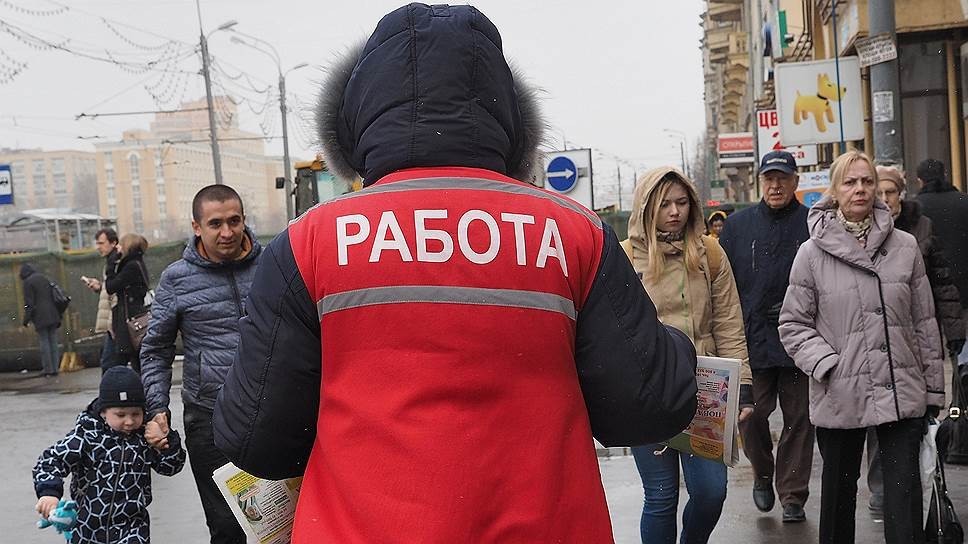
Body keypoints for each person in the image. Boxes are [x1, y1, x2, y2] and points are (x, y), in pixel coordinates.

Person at [213, 4, 700, 542]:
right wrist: (677, 349)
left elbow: (257, 437)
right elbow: (645, 406)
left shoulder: (309, 244)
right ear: (509, 115)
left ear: (358, 114)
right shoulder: (573, 234)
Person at [779, 150, 945, 544]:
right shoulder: (812, 253)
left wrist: (934, 391)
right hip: (841, 390)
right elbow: (792, 324)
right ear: (834, 191)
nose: (860, 189)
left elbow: (924, 321)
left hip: (902, 390)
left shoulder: (904, 247)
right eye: (850, 182)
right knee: (838, 499)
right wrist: (827, 365)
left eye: (867, 181)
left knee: (904, 499)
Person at [624, 167, 754, 544]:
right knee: (661, 496)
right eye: (664, 204)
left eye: (682, 202)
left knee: (711, 492)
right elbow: (610, 331)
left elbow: (729, 322)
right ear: (647, 207)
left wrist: (743, 384)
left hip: (706, 390)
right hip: (648, 393)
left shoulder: (709, 252)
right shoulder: (624, 257)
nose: (675, 212)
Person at [140, 184, 261, 544]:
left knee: (281, 518)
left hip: (273, 411)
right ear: (197, 227)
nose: (227, 232)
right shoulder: (177, 279)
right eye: (216, 224)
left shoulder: (272, 264)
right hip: (210, 417)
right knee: (227, 524)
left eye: (234, 221)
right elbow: (156, 349)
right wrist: (157, 408)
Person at [717, 149, 813, 522]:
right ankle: (763, 472)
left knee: (800, 418)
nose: (775, 185)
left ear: (795, 182)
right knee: (749, 416)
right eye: (769, 179)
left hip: (802, 337)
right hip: (752, 338)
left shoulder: (812, 223)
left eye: (783, 178)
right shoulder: (738, 227)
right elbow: (723, 286)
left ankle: (793, 495)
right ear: (761, 182)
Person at [867, 164, 966, 513]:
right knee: (878, 419)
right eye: (877, 192)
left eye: (889, 192)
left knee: (915, 420)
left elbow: (942, 282)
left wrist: (953, 332)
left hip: (914, 341)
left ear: (901, 194)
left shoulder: (922, 227)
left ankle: (913, 489)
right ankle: (881, 490)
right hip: (874, 342)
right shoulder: (862, 232)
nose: (883, 199)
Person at [32, 366, 185, 543]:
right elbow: (50, 461)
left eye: (136, 414)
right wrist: (49, 492)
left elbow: (171, 467)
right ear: (103, 412)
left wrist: (166, 442)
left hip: (132, 527)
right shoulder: (86, 436)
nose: (129, 421)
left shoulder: (144, 437)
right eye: (120, 415)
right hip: (87, 526)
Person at [916, 158, 968, 366]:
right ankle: (962, 392)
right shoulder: (964, 202)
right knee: (962, 347)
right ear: (944, 175)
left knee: (931, 352)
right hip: (964, 287)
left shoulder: (915, 209)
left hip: (928, 288)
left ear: (920, 180)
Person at [103, 233, 149, 373]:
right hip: (132, 320)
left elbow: (111, 286)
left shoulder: (131, 266)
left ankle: (114, 391)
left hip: (129, 323)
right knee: (136, 363)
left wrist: (110, 265)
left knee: (113, 364)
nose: (118, 248)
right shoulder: (136, 264)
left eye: (121, 244)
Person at [83, 228, 124, 373]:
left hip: (116, 322)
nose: (99, 247)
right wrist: (100, 287)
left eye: (102, 243)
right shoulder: (110, 262)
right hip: (113, 323)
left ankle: (113, 394)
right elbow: (112, 290)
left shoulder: (116, 262)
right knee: (113, 363)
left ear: (113, 243)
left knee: (109, 364)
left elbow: (118, 295)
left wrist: (113, 323)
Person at [20, 263, 62, 377]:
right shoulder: (44, 278)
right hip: (53, 313)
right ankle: (55, 368)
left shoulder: (28, 282)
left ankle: (47, 369)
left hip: (40, 316)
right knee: (53, 341)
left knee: (44, 342)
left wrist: (26, 320)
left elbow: (29, 303)